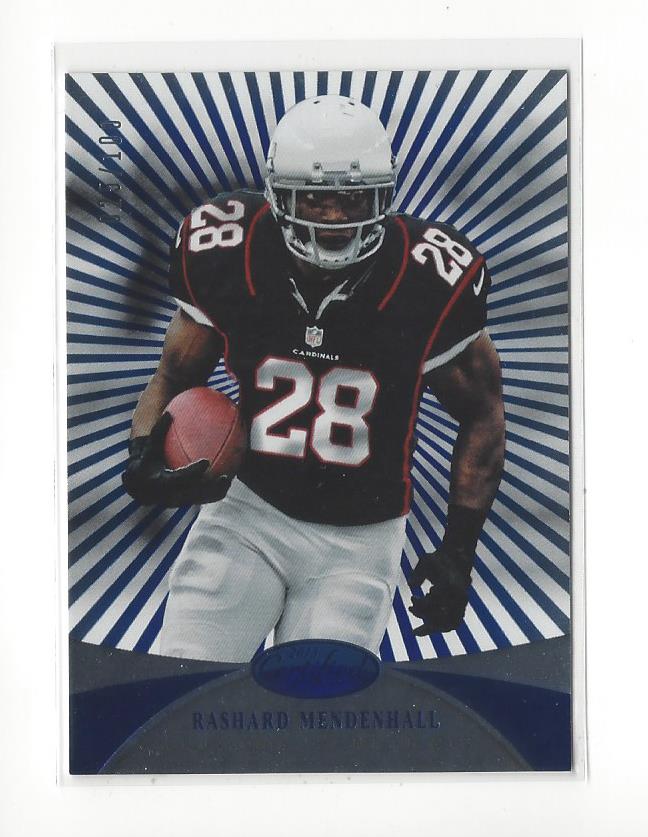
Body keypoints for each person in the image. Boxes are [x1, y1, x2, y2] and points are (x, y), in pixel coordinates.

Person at [122, 95, 505, 663]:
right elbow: (174, 372)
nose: (333, 217)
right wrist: (141, 453)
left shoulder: (429, 280)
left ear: (384, 196)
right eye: (315, 197)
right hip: (247, 511)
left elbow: (482, 414)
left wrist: (459, 552)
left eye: (352, 198)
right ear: (279, 195)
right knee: (187, 683)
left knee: (317, 707)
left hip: (359, 540)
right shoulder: (228, 251)